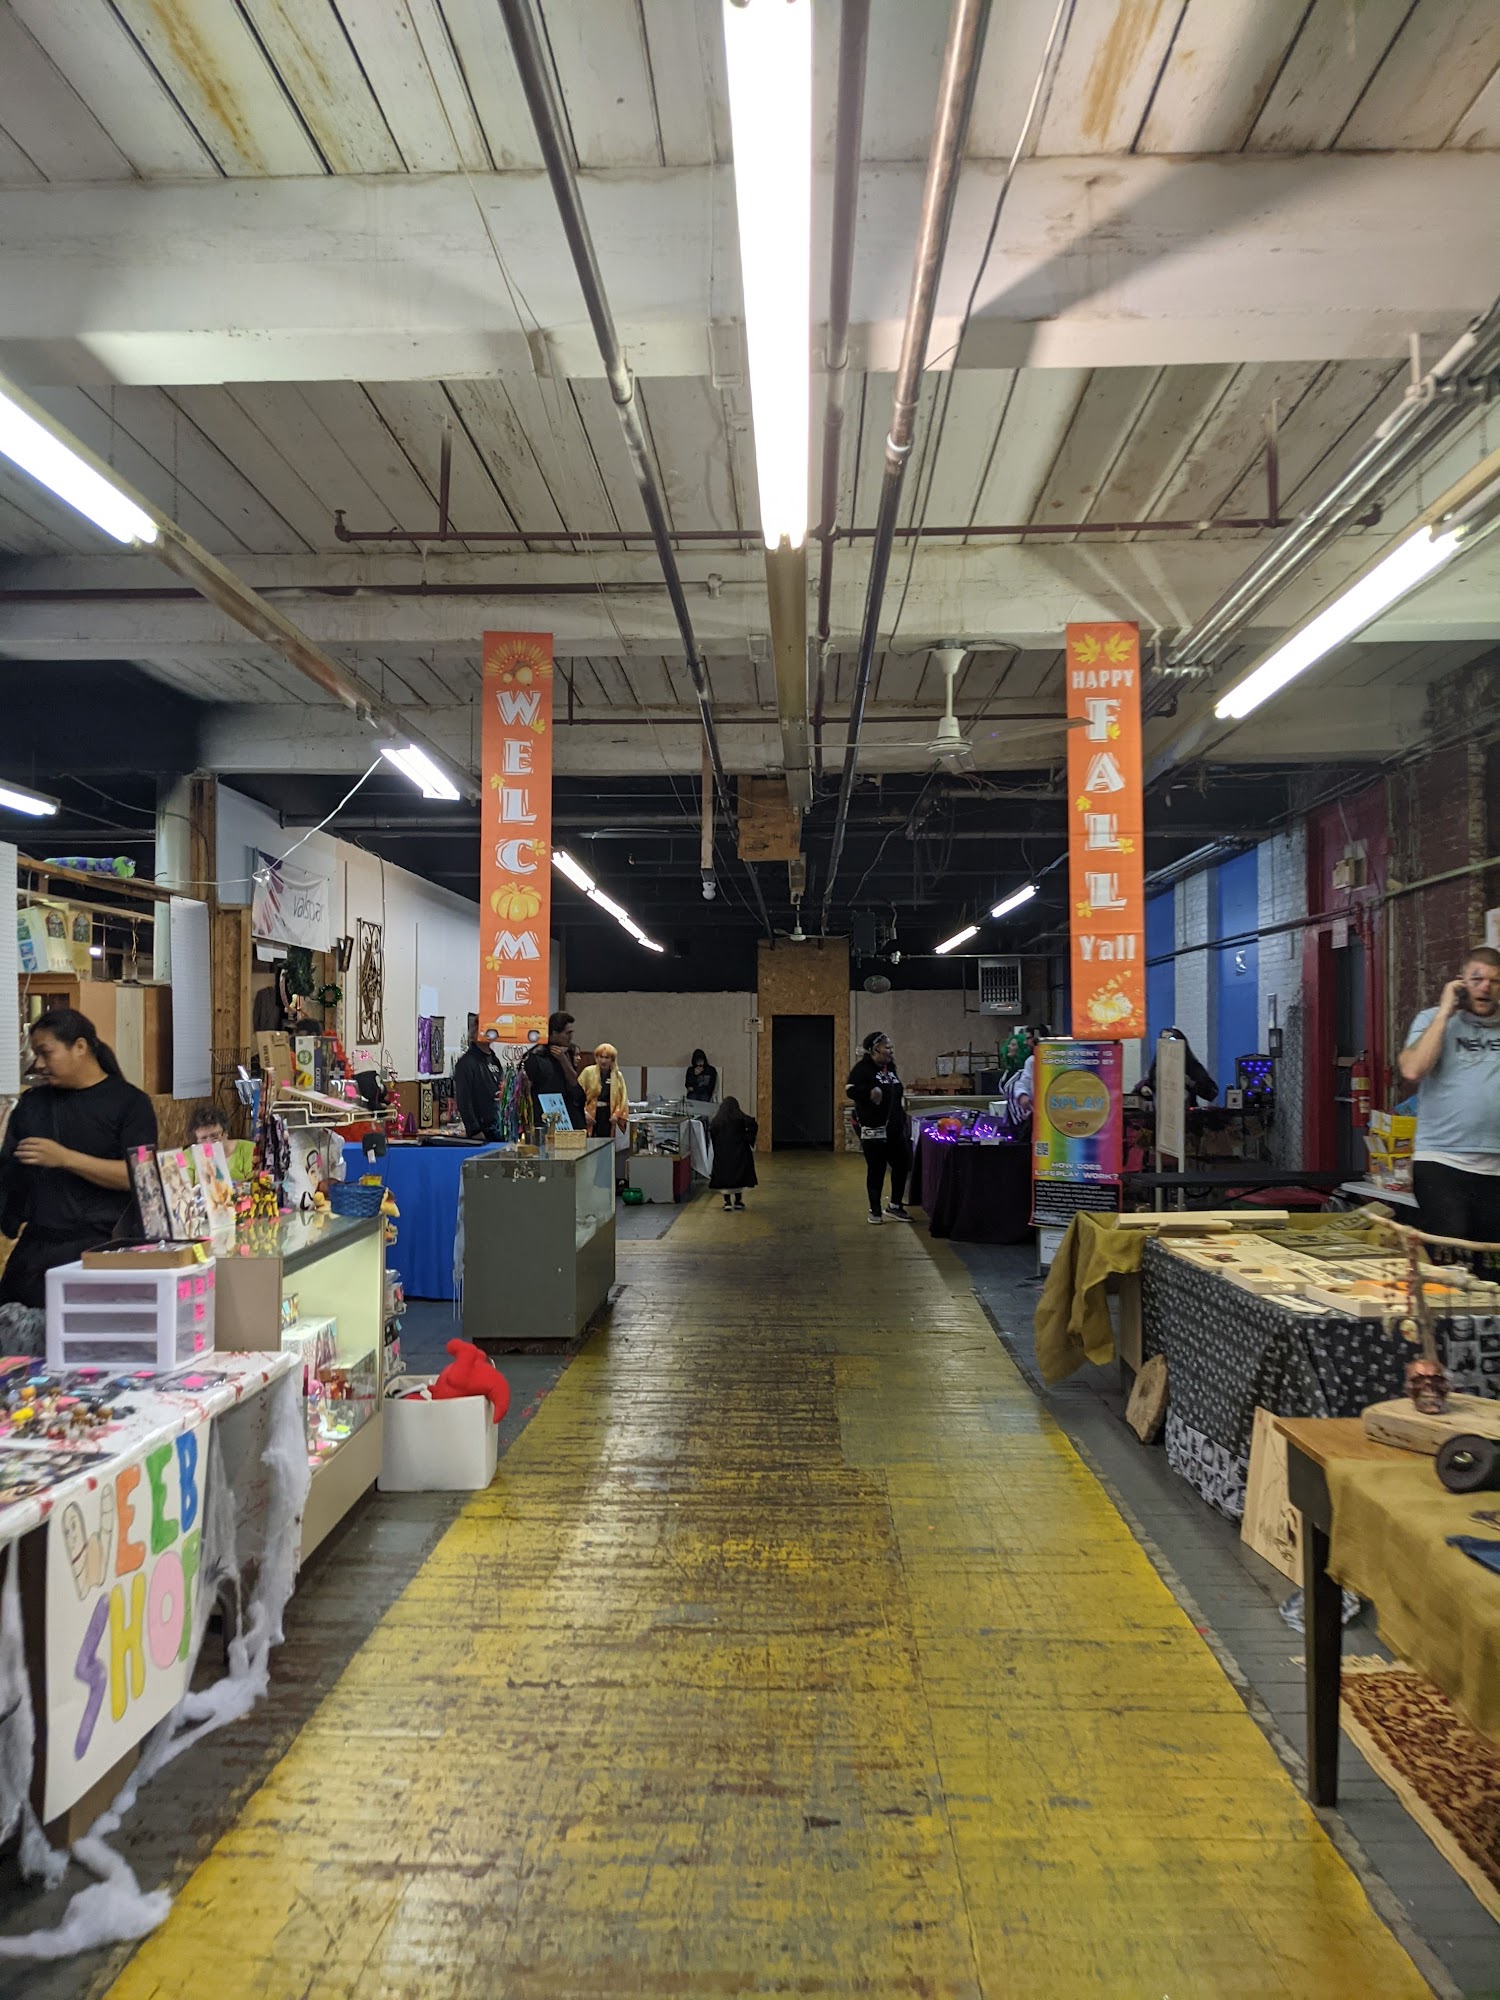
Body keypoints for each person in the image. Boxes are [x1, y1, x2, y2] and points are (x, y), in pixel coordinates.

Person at [0, 1008, 158, 1309]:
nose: (39, 1064)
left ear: (80, 1047)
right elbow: (10, 1176)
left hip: (102, 1250)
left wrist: (65, 1158)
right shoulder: (33, 1104)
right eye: (36, 1054)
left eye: (46, 1053)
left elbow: (139, 1177)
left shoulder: (130, 1104)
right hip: (37, 1251)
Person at [1397, 945, 1500, 1245]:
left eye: (1494, 981)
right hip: (1442, 1159)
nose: (1485, 988)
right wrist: (1444, 1013)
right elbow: (1412, 1069)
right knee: (1450, 1251)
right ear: (1461, 983)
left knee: (1490, 1262)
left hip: (1496, 1164)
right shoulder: (1432, 1020)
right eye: (1477, 979)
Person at [846, 1030, 910, 1223]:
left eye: (891, 1047)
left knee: (902, 1164)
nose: (891, 1051)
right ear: (875, 1050)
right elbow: (850, 1090)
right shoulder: (862, 1069)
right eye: (887, 1047)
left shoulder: (890, 1068)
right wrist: (869, 1092)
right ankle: (875, 1211)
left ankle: (895, 1206)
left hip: (895, 1128)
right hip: (874, 1128)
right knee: (877, 1168)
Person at [522, 1011, 585, 1130]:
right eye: (567, 1033)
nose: (570, 1037)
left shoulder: (568, 1052)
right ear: (555, 1033)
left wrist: (564, 1060)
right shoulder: (535, 1056)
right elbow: (526, 1091)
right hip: (542, 1114)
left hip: (564, 1112)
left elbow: (573, 1081)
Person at [1141, 1028, 1218, 1107]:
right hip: (1161, 1109)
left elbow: (1212, 1092)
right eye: (1163, 1039)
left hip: (1186, 1111)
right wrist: (1145, 1089)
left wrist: (1190, 1082)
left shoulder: (1192, 1066)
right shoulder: (1157, 1065)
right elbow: (1148, 1085)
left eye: (1170, 1039)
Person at [454, 1027, 505, 1141]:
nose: (487, 1032)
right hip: (481, 1131)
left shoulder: (494, 1060)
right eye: (482, 1029)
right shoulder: (466, 1063)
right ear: (474, 1033)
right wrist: (474, 1130)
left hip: (498, 1127)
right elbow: (463, 1099)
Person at [184, 1101, 255, 1180]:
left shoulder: (249, 1149)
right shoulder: (187, 1155)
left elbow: (254, 1181)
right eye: (203, 1138)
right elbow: (183, 1185)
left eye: (214, 1136)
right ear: (197, 1139)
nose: (210, 1142)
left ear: (225, 1132)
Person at [709, 1096, 757, 1211]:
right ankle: (738, 1201)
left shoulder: (717, 1121)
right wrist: (747, 1138)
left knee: (725, 1177)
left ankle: (727, 1202)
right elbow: (753, 1124)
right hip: (740, 1151)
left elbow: (713, 1136)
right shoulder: (741, 1118)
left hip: (723, 1153)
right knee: (739, 1176)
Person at [580, 1043, 630, 1141]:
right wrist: (584, 1113)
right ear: (596, 1058)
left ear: (612, 1060)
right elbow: (578, 1095)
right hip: (589, 1113)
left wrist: (616, 1115)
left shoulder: (617, 1076)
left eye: (607, 1058)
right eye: (601, 1057)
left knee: (606, 1140)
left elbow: (622, 1099)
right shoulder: (587, 1072)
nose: (603, 1061)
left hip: (608, 1114)